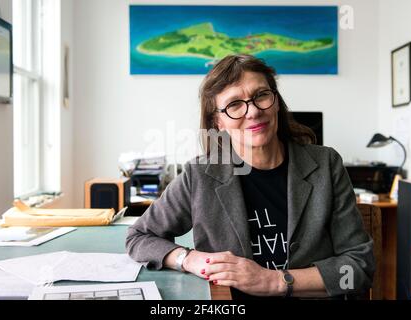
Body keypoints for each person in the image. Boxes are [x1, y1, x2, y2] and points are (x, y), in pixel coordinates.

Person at [126, 54, 374, 299]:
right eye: (234, 104)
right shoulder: (199, 175)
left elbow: (359, 269)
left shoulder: (326, 164)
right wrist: (189, 259)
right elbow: (138, 238)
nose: (253, 111)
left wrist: (276, 281)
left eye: (261, 95)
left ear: (276, 101)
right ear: (218, 122)